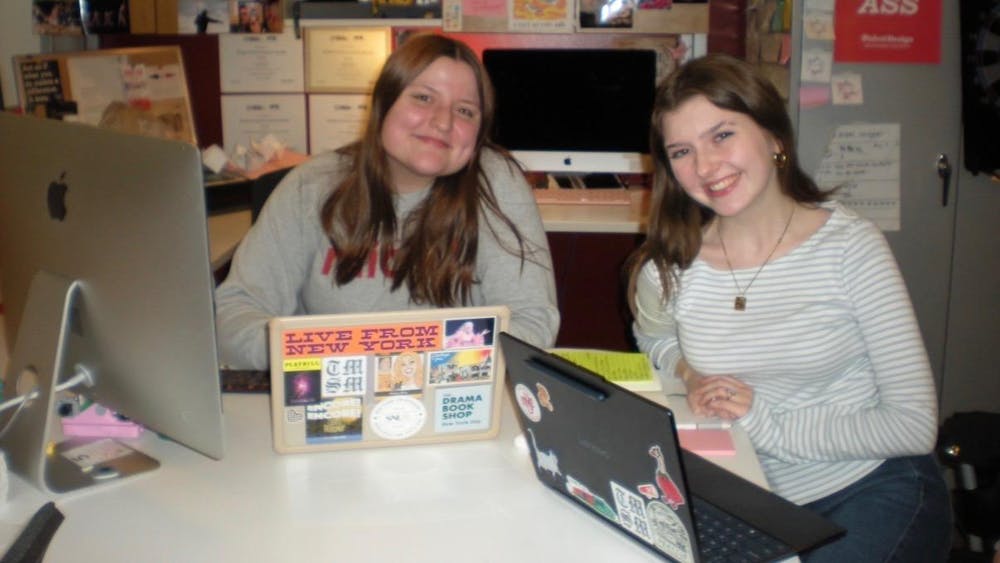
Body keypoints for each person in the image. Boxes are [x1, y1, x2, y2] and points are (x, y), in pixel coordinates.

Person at [626, 53, 951, 562]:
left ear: (774, 137)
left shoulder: (850, 248)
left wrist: (766, 424)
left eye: (722, 135)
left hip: (869, 488)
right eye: (682, 150)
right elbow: (654, 336)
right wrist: (689, 373)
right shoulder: (670, 267)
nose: (706, 167)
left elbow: (912, 425)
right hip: (751, 493)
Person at [215, 34, 560, 369]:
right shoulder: (311, 186)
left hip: (452, 400)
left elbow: (532, 322)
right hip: (329, 398)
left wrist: (416, 367)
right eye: (424, 98)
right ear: (383, 103)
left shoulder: (496, 183)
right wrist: (319, 359)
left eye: (465, 111)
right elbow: (235, 311)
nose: (443, 121)